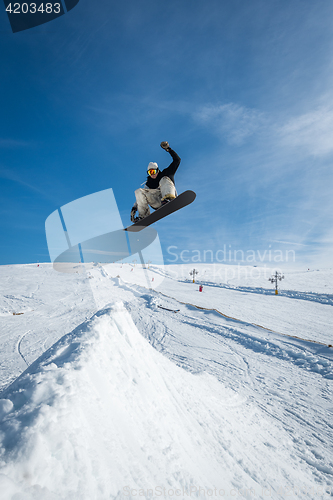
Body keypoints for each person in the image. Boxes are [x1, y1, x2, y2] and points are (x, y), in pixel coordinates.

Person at [130, 141, 181, 222]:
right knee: (139, 191)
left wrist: (168, 149)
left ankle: (168, 199)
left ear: (157, 170)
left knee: (164, 179)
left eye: (153, 172)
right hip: (157, 202)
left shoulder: (166, 172)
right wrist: (134, 207)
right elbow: (142, 195)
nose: (152, 174)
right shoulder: (149, 183)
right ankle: (143, 216)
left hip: (168, 195)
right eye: (150, 173)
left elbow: (177, 160)